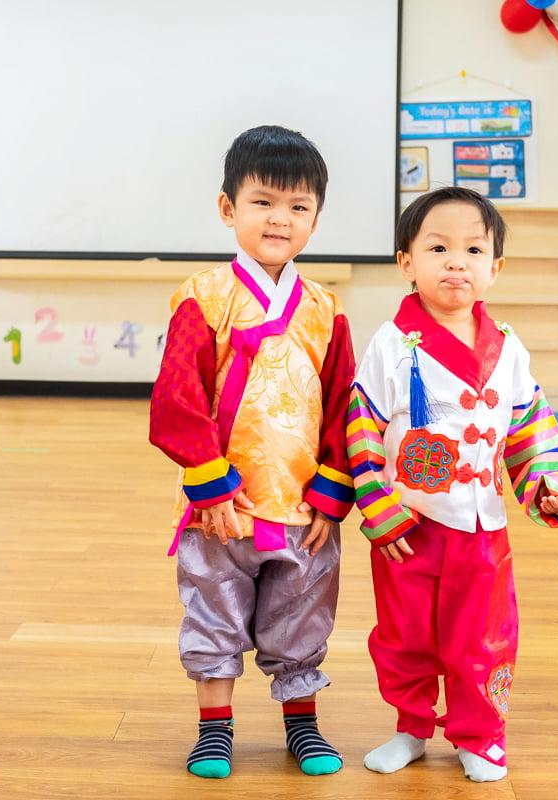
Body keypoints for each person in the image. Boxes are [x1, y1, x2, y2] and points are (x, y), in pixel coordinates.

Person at [348, 187, 558, 782]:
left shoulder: (510, 349)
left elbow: (529, 425)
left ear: (494, 268)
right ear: (407, 262)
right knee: (405, 632)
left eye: (474, 249)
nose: (457, 261)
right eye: (439, 247)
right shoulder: (390, 344)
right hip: (409, 527)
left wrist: (546, 485)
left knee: (484, 635)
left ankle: (480, 734)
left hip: (482, 529)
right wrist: (376, 505)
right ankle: (411, 727)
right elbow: (361, 425)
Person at [149, 125, 355, 779]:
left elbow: (346, 406)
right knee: (213, 614)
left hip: (302, 507)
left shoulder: (326, 309)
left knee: (303, 616)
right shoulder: (202, 297)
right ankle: (215, 730)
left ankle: (304, 726)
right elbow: (176, 399)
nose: (280, 219)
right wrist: (209, 485)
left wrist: (333, 490)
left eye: (299, 207)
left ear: (315, 220)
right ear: (227, 208)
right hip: (225, 507)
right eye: (264, 201)